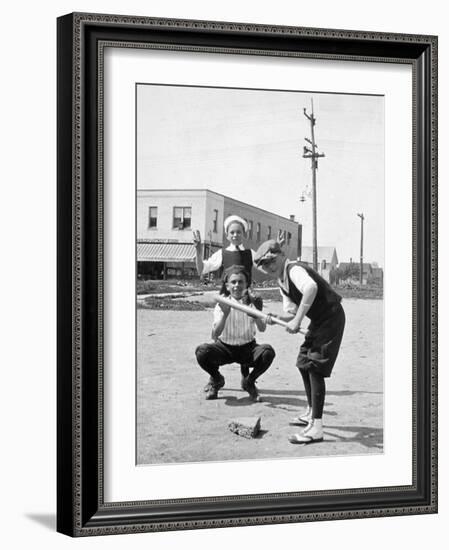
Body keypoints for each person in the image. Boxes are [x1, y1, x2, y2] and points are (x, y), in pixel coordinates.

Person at [254, 240, 345, 444]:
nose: (269, 267)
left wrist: (297, 321)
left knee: (314, 366)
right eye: (264, 265)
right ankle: (311, 411)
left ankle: (317, 427)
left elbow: (311, 288)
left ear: (280, 256)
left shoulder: (294, 269)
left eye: (270, 262)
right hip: (319, 320)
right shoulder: (281, 281)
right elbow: (292, 312)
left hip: (331, 317)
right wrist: (272, 316)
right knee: (303, 362)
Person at [193, 215, 262, 383]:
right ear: (227, 234)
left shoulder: (250, 253)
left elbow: (266, 266)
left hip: (246, 299)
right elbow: (202, 269)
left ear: (243, 233)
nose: (235, 235)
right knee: (219, 333)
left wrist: (276, 249)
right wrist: (198, 250)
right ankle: (214, 378)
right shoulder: (222, 253)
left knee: (245, 334)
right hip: (227, 298)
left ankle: (247, 377)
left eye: (238, 232)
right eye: (232, 232)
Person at [195, 264, 275, 401]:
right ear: (227, 286)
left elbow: (262, 329)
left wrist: (255, 315)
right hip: (225, 348)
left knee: (268, 352)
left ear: (246, 285)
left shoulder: (252, 304)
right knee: (202, 352)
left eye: (240, 282)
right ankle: (217, 379)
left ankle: (249, 382)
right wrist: (225, 315)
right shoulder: (222, 304)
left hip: (247, 348)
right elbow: (214, 335)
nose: (237, 285)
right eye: (233, 282)